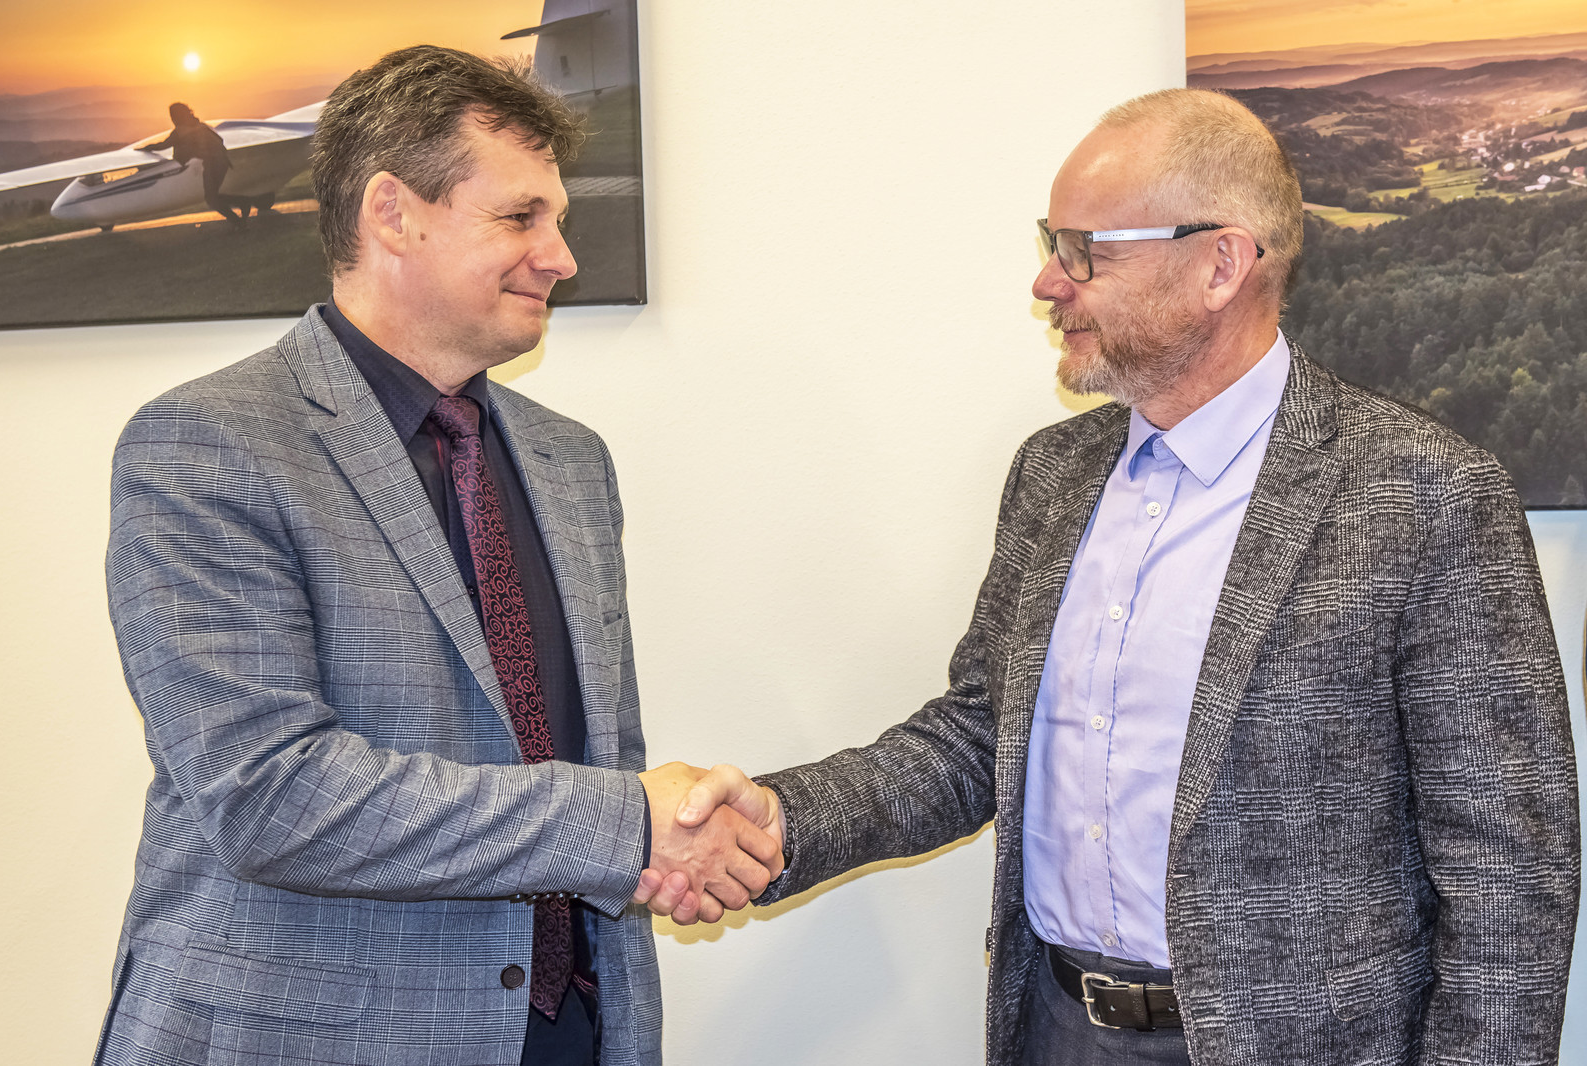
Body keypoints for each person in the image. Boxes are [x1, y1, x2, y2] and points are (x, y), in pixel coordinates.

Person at [636, 88, 1581, 1065]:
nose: (1048, 282)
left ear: (1221, 264)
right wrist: (780, 819)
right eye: (1052, 243)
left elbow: (1510, 869)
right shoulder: (1052, 474)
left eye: (1085, 250)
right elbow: (978, 736)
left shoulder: (1424, 492)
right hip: (1056, 1028)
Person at [95, 46, 779, 1066]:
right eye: (521, 217)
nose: (561, 257)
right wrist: (629, 822)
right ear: (393, 214)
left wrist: (666, 842)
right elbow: (271, 796)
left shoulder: (570, 463)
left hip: (564, 1030)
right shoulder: (208, 444)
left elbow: (598, 758)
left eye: (558, 219)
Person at [137, 102, 262, 223]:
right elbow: (219, 140)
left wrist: (144, 148)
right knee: (212, 196)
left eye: (171, 116)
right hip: (222, 161)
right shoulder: (201, 126)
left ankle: (239, 218)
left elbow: (163, 145)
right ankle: (242, 205)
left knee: (211, 199)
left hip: (212, 163)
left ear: (175, 116)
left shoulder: (180, 131)